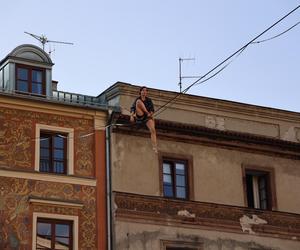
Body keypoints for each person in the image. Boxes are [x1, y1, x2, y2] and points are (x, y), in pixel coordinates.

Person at [130, 86, 158, 153]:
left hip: (147, 117)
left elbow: (152, 110)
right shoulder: (138, 99)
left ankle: (154, 146)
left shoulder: (149, 100)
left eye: (145, 91)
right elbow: (133, 108)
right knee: (138, 102)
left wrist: (150, 114)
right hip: (140, 115)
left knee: (153, 130)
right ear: (140, 92)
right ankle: (146, 112)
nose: (144, 92)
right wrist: (131, 116)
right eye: (143, 90)